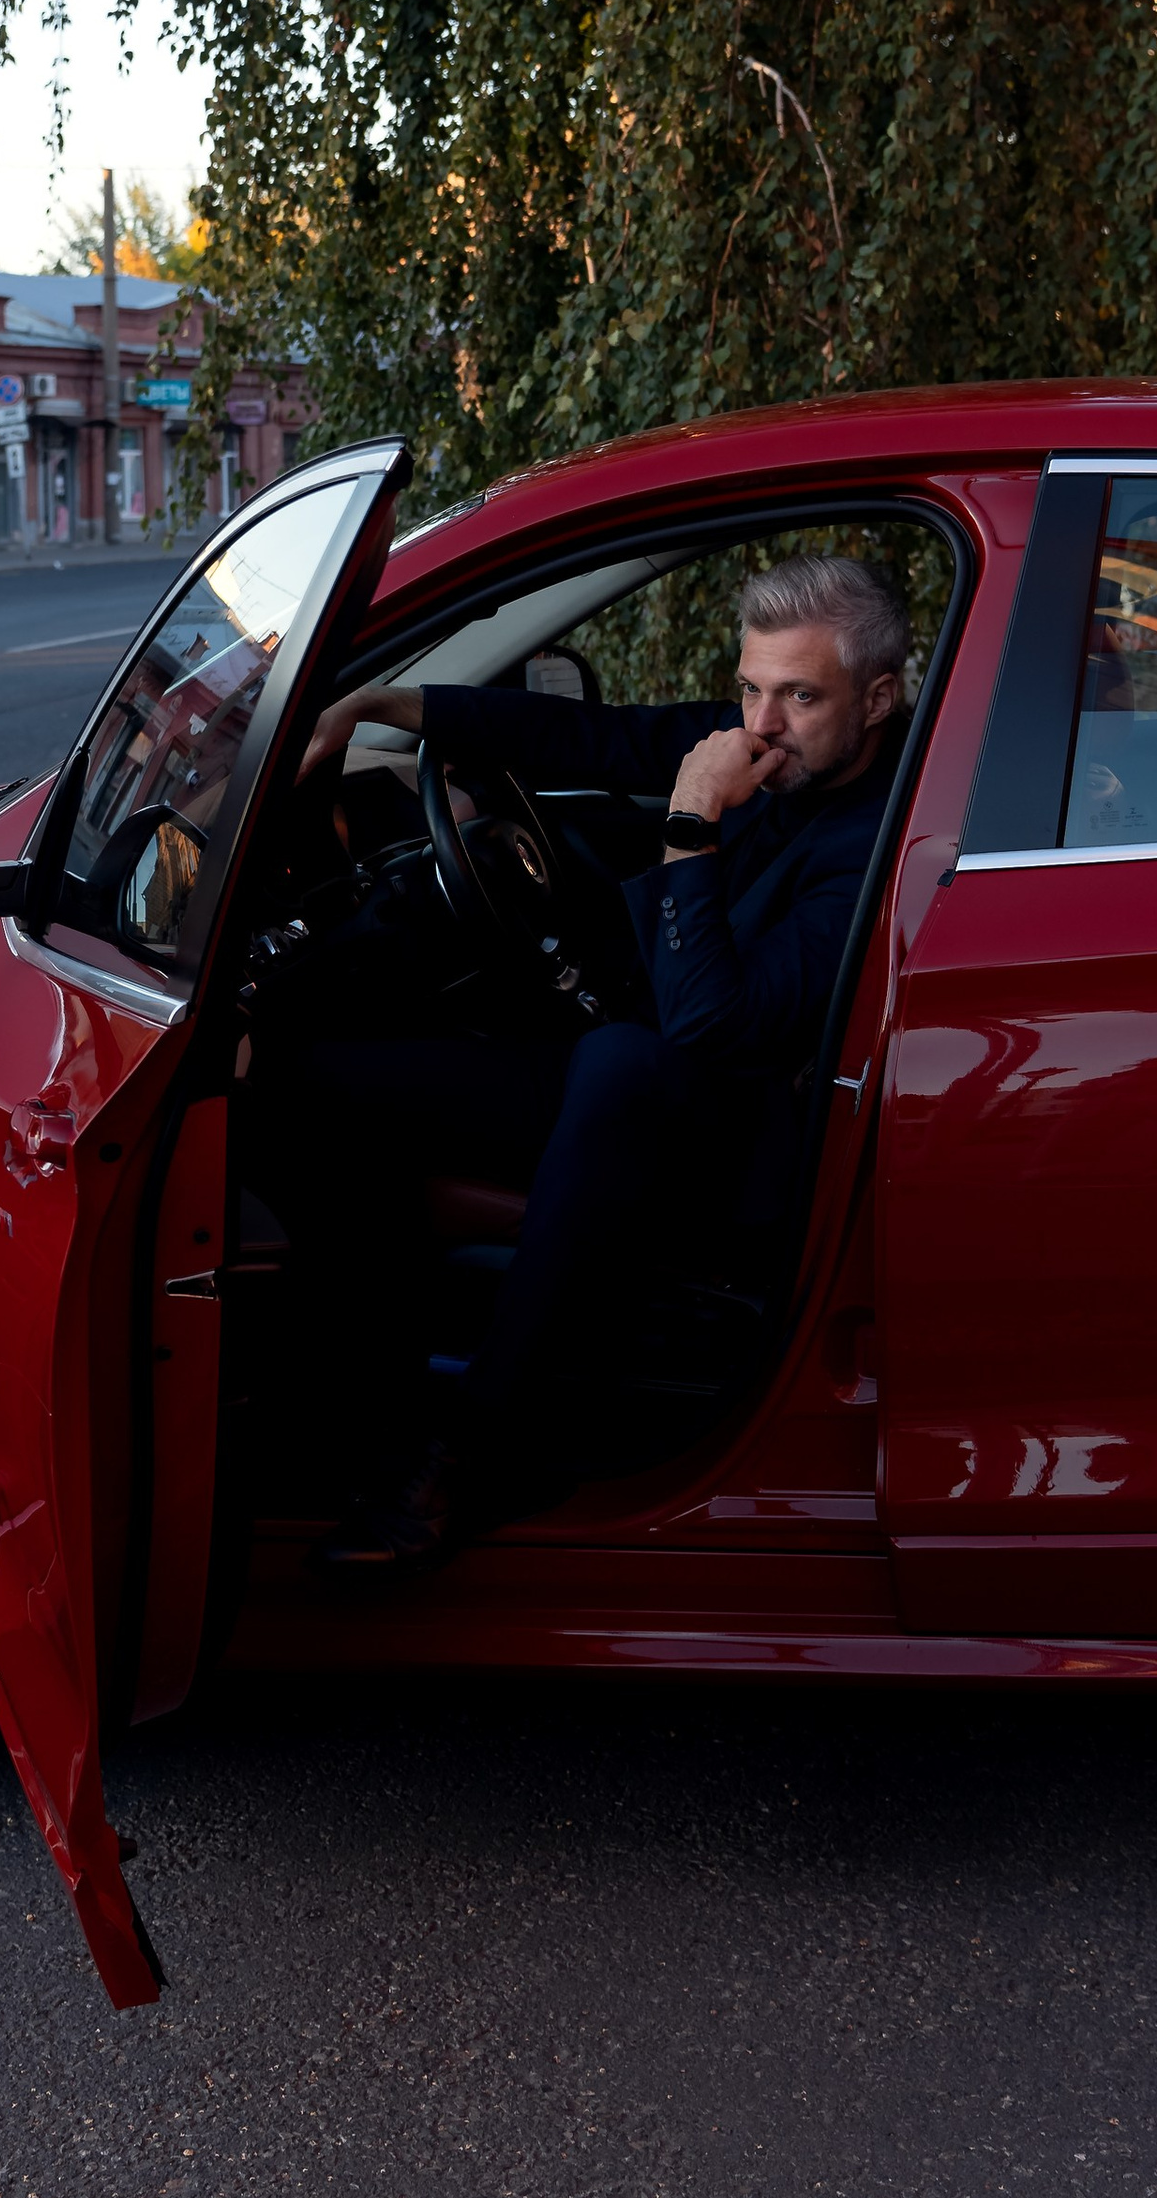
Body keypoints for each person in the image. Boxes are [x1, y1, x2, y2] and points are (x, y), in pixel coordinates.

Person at [283, 551, 912, 1569]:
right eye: (751, 687)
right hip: (625, 1075)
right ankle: (372, 1406)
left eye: (800, 695)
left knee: (619, 1060)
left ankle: (482, 1445)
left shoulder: (874, 832)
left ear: (876, 698)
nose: (760, 724)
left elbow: (711, 1026)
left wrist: (688, 825)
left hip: (742, 1132)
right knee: (316, 1081)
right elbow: (596, 735)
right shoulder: (777, 748)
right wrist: (376, 705)